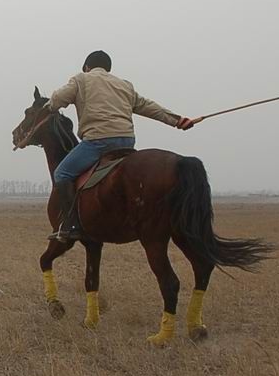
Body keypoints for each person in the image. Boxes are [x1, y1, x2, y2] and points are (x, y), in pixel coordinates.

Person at [45, 50, 194, 242]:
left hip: (98, 141)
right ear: (108, 68)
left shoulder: (81, 79)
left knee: (62, 174)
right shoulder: (124, 85)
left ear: (87, 67)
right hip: (126, 142)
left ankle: (71, 226)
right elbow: (148, 106)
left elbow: (58, 99)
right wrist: (177, 120)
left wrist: (49, 107)